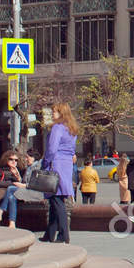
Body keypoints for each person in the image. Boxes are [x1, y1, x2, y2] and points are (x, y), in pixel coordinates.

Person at [40, 103, 78, 244]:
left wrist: (45, 163)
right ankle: (49, 234)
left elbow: (51, 149)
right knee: (56, 199)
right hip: (66, 165)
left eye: (54, 112)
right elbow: (72, 149)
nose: (52, 115)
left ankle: (63, 234)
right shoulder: (71, 129)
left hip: (55, 164)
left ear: (61, 113)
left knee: (56, 199)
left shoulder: (57, 128)